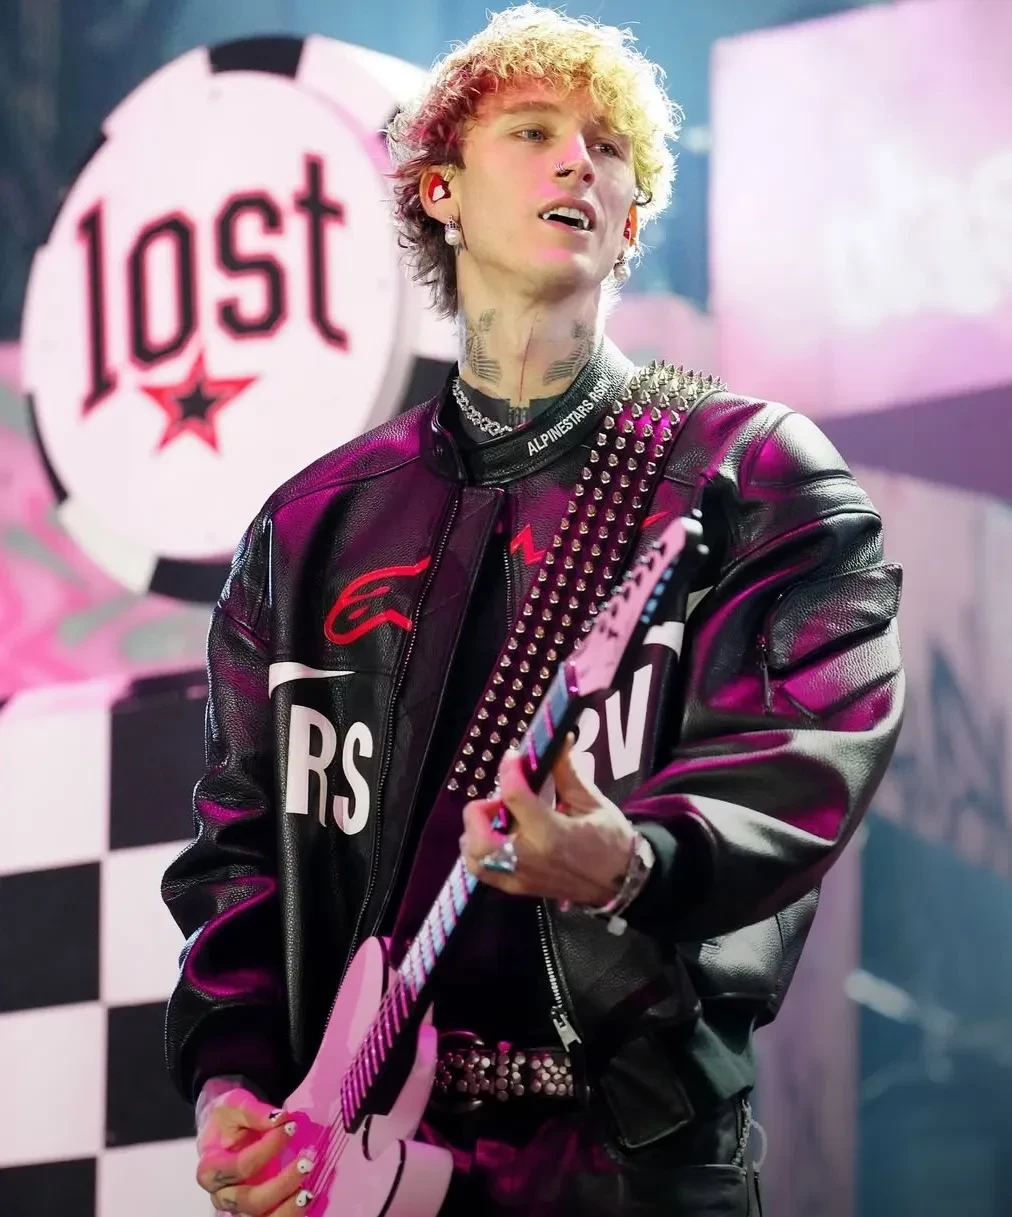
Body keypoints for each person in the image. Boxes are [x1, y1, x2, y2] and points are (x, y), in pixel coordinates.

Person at [161, 6, 904, 1215]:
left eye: (608, 149)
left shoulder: (746, 472)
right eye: (533, 132)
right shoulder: (310, 531)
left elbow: (801, 752)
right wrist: (229, 1077)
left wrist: (628, 859)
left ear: (631, 221)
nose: (578, 163)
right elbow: (239, 852)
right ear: (441, 190)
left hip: (627, 1154)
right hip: (353, 1149)